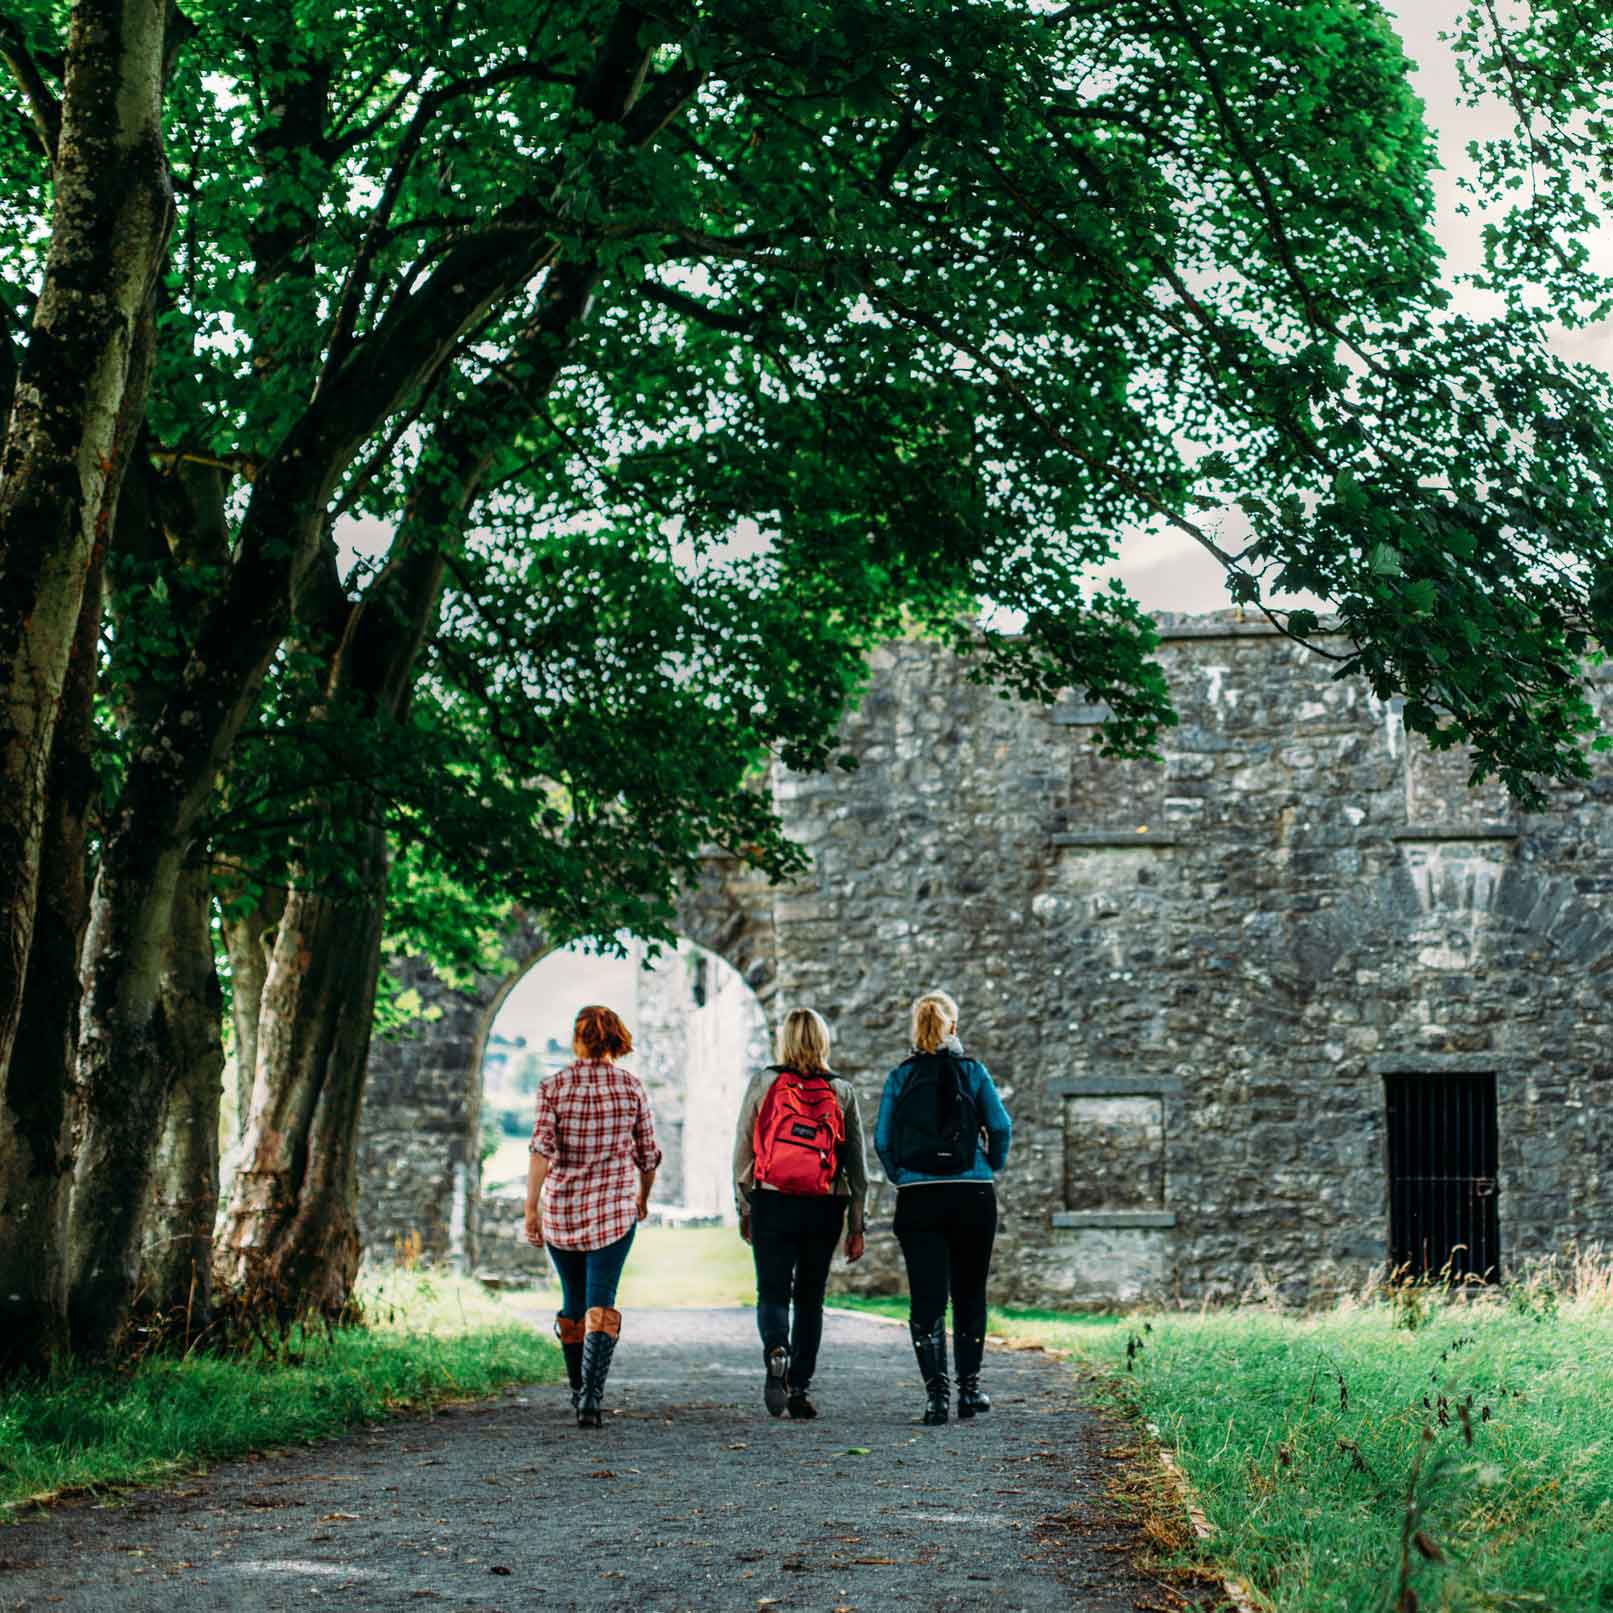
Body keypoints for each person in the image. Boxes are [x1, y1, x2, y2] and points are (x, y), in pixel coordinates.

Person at [875, 989, 1011, 1425]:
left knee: (927, 1297)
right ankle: (969, 1393)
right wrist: (990, 1164)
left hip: (919, 1199)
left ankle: (936, 1398)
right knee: (970, 1292)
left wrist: (903, 1176)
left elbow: (881, 1140)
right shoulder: (973, 1072)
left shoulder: (900, 1077)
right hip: (972, 1193)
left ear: (915, 1029)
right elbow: (1001, 1125)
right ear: (953, 1026)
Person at [525, 1004, 661, 1429]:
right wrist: (642, 1196)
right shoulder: (631, 1086)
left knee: (573, 1301)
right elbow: (648, 1153)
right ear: (616, 1038)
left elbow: (541, 1149)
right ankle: (592, 1397)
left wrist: (533, 1207)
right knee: (601, 1299)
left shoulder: (554, 1086)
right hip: (615, 1207)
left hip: (564, 1208)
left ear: (577, 1038)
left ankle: (576, 1389)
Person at [732, 1007, 868, 1419]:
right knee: (810, 1297)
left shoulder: (764, 1082)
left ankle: (777, 1348)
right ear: (823, 1041)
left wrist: (745, 1204)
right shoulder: (841, 1090)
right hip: (824, 1204)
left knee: (772, 1290)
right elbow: (856, 1166)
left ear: (784, 1041)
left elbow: (743, 1148)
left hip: (772, 1198)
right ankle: (800, 1387)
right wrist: (856, 1223)